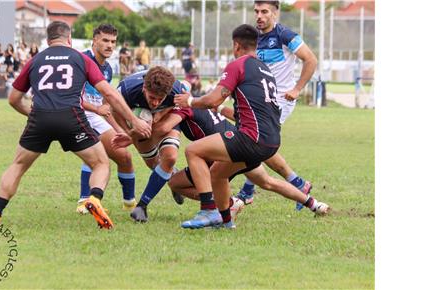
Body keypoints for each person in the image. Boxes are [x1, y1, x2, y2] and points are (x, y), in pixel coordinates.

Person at [0, 21, 151, 230]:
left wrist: (31, 114)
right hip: (71, 118)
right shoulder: (80, 58)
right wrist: (134, 120)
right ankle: (94, 198)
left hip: (40, 118)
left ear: (47, 40)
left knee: (18, 165)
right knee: (100, 163)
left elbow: (14, 99)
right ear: (69, 38)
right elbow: (109, 93)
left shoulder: (35, 60)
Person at [174, 24, 330, 229]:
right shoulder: (265, 71)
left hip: (251, 138)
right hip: (271, 141)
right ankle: (226, 223)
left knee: (193, 151)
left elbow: (212, 99)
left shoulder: (237, 64)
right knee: (218, 174)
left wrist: (191, 101)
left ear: (236, 45)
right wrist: (220, 110)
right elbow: (248, 112)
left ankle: (208, 210)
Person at [234, 0, 319, 211]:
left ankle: (248, 191)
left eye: (264, 12)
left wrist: (297, 89)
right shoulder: (254, 37)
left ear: (275, 14)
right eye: (256, 11)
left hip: (281, 100)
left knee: (256, 142)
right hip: (261, 100)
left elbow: (310, 60)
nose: (259, 16)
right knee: (256, 142)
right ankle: (299, 184)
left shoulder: (285, 35)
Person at [75, 24, 137, 214]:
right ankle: (85, 201)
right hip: (79, 114)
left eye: (113, 42)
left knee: (124, 156)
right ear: (94, 40)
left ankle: (129, 204)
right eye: (105, 40)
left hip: (95, 116)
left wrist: (119, 129)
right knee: (98, 155)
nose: (110, 45)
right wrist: (97, 109)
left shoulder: (108, 68)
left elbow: (105, 104)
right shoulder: (82, 60)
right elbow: (71, 97)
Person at [110, 67, 186, 223]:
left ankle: (141, 206)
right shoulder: (127, 89)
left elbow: (183, 104)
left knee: (170, 158)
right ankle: (173, 178)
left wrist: (160, 113)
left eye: (161, 99)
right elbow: (114, 109)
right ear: (144, 87)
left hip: (166, 119)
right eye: (152, 97)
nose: (155, 102)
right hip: (138, 126)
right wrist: (127, 132)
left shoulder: (177, 89)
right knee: (154, 164)